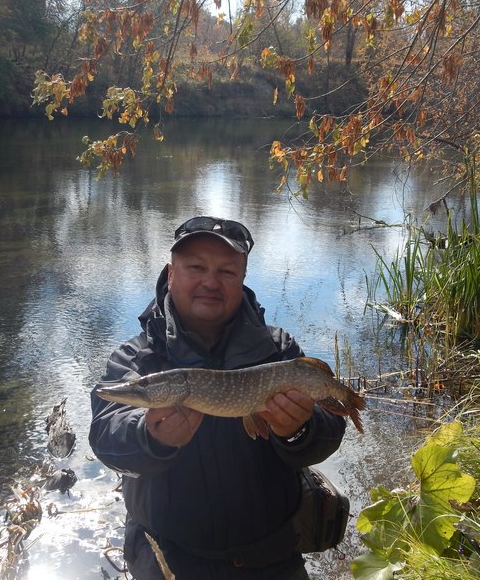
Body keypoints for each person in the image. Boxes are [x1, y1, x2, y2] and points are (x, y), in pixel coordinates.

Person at [89, 215, 347, 580]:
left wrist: (299, 430)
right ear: (171, 272)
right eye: (196, 267)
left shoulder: (278, 350)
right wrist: (150, 437)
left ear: (242, 281)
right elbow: (105, 438)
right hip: (169, 557)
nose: (210, 282)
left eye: (227, 272)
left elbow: (328, 433)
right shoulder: (138, 359)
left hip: (272, 557)